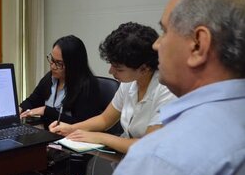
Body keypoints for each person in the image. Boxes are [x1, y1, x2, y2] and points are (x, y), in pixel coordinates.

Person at [46, 0, 245, 175]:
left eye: (165, 32)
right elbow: (105, 119)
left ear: (199, 45)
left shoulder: (166, 154)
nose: (157, 45)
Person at [49, 22, 176, 154]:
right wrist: (71, 129)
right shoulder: (130, 82)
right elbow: (104, 119)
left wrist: (101, 137)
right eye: (111, 64)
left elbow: (148, 146)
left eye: (118, 68)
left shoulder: (166, 90)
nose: (110, 71)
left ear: (144, 68)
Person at [20, 35, 105, 129]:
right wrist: (18, 110)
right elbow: (32, 101)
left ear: (74, 64)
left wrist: (46, 111)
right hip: (49, 135)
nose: (53, 66)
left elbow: (81, 125)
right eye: (52, 60)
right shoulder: (50, 78)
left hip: (72, 140)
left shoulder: (88, 86)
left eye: (59, 63)